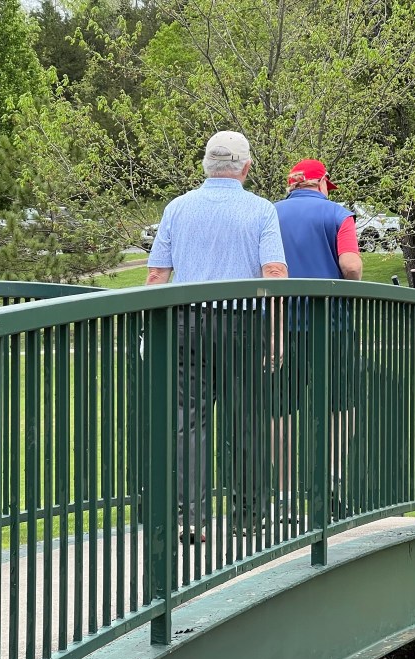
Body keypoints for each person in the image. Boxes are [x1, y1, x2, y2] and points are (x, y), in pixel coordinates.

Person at [147, 130, 288, 543]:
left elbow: (157, 276)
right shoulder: (261, 210)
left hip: (185, 323)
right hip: (242, 325)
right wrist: (276, 334)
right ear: (246, 167)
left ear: (206, 165)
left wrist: (149, 329)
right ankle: (249, 519)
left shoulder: (177, 207)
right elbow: (274, 274)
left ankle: (191, 519)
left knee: (187, 422)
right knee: (247, 422)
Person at [272, 159, 362, 523]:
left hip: (280, 327)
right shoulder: (338, 214)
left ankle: (284, 496)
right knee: (340, 406)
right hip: (333, 325)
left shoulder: (270, 214)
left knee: (280, 410)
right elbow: (351, 265)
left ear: (292, 184)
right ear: (322, 182)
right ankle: (332, 484)